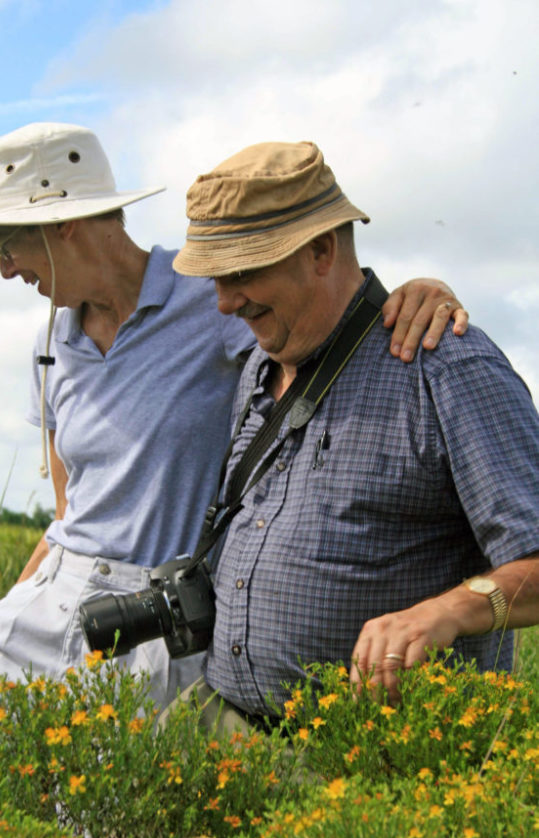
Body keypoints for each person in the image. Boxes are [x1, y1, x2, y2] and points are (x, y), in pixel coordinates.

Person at [0, 123, 468, 712]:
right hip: (57, 588)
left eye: (6, 244)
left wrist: (419, 292)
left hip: (159, 601)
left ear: (61, 225)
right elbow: (67, 516)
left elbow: (328, 311)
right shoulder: (50, 344)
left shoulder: (212, 297)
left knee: (109, 788)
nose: (4, 270)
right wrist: (2, 633)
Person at [166, 139, 539, 724]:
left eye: (240, 271)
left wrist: (447, 612)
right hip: (223, 719)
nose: (223, 302)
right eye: (214, 277)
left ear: (319, 250)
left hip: (366, 766)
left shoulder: (446, 367)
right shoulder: (259, 369)